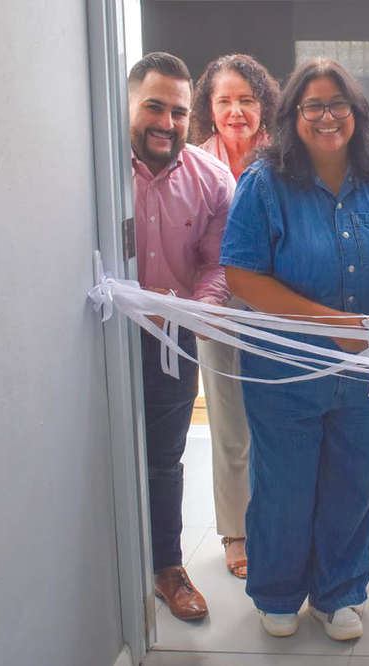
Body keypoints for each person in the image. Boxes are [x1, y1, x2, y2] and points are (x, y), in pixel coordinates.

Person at [219, 58, 369, 640]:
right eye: (312, 106)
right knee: (284, 485)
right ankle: (279, 591)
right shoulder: (263, 182)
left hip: (368, 371)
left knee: (354, 482)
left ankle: (339, 592)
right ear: (293, 116)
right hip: (285, 368)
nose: (327, 116)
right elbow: (241, 273)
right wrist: (330, 322)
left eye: (338, 103)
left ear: (357, 112)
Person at [128, 52, 235, 621]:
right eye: (153, 106)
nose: (166, 123)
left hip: (172, 342)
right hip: (96, 341)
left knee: (164, 458)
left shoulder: (214, 180)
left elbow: (219, 264)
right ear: (127, 103)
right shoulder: (93, 170)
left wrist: (202, 308)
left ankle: (167, 566)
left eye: (178, 111)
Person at [190, 53, 280, 580]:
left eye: (246, 99)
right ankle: (236, 532)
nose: (236, 110)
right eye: (224, 100)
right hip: (216, 306)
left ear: (263, 104)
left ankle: (276, 521)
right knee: (228, 423)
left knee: (277, 419)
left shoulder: (286, 159)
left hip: (275, 303)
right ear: (209, 106)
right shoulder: (195, 161)